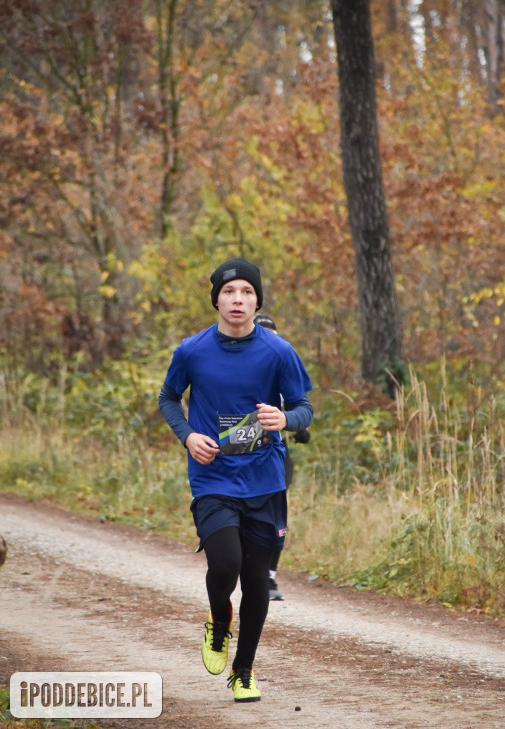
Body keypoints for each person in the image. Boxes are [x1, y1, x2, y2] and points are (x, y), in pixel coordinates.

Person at [159, 258, 313, 703]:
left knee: (257, 578)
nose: (238, 299)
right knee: (224, 564)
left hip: (264, 480)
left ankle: (243, 672)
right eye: (229, 292)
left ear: (257, 299)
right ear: (217, 300)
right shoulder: (192, 350)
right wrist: (188, 436)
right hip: (212, 478)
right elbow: (169, 397)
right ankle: (219, 621)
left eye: (246, 291)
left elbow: (304, 407)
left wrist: (284, 417)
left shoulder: (279, 352)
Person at [253, 313, 311, 601]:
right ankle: (247, 568)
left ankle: (270, 578)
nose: (270, 342)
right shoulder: (241, 364)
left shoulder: (282, 362)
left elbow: (297, 403)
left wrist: (299, 426)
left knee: (277, 513)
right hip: (236, 455)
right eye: (264, 335)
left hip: (274, 450)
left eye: (274, 337)